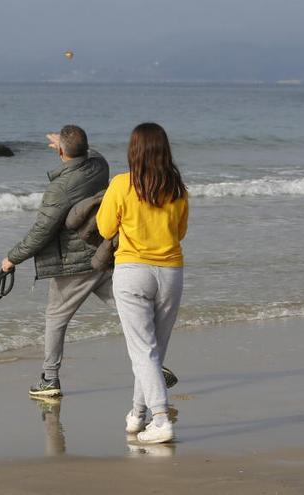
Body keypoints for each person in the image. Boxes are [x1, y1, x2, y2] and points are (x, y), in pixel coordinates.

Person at [1, 125, 112, 397]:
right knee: (130, 309)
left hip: (75, 265)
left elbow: (41, 232)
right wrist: (68, 147)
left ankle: (50, 379)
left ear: (62, 151)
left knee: (55, 318)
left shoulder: (59, 189)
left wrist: (11, 259)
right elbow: (89, 154)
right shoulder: (100, 165)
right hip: (103, 252)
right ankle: (154, 361)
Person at [96, 123, 188, 444]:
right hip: (171, 272)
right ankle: (138, 414)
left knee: (143, 350)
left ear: (133, 150)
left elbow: (105, 228)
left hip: (133, 270)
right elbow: (180, 232)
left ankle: (161, 418)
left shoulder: (122, 184)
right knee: (153, 351)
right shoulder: (177, 187)